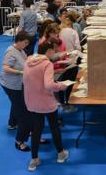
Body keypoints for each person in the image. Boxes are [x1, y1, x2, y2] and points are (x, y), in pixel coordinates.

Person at [23, 40, 70, 171]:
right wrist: (61, 86)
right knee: (54, 127)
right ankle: (61, 154)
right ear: (48, 51)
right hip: (46, 102)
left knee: (37, 130)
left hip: (32, 101)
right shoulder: (47, 64)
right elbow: (49, 85)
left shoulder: (28, 60)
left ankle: (34, 160)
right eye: (54, 50)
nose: (55, 53)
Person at [0, 32, 31, 150]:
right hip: (10, 84)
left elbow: (26, 60)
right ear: (19, 40)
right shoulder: (10, 52)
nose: (26, 45)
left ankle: (12, 123)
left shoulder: (21, 50)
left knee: (16, 103)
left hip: (16, 83)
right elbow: (5, 67)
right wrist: (21, 72)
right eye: (25, 42)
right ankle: (20, 142)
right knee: (23, 112)